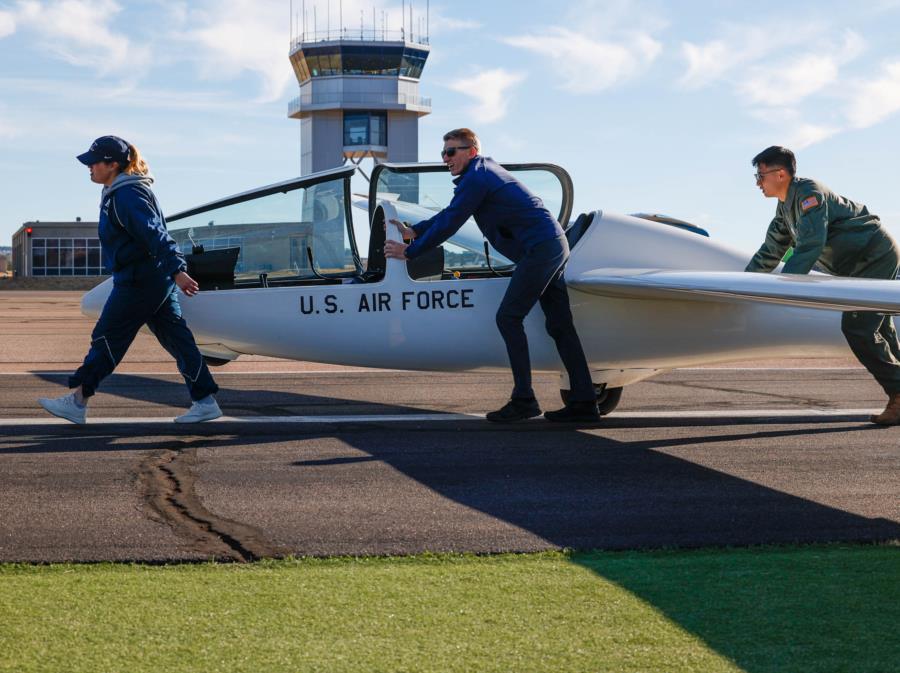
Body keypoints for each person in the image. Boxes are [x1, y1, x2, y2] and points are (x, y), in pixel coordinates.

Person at [383, 128, 598, 422]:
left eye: (451, 152)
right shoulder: (481, 174)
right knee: (560, 325)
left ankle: (524, 400)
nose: (446, 158)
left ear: (470, 151)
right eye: (443, 153)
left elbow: (452, 222)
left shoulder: (478, 177)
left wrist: (409, 252)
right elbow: (450, 213)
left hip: (541, 249)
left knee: (509, 317)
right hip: (548, 246)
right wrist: (416, 231)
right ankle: (585, 402)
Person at [38, 135, 222, 425]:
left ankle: (78, 400)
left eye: (94, 162)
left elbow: (154, 234)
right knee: (178, 339)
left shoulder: (127, 195)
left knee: (107, 336)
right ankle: (205, 400)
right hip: (150, 278)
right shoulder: (118, 191)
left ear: (111, 164)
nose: (89, 168)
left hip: (140, 281)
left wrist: (177, 269)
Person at [745, 145, 900, 425]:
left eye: (760, 175)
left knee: (858, 328)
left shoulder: (809, 194)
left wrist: (785, 288)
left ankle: (898, 393)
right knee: (882, 329)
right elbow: (769, 253)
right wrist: (742, 286)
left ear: (780, 174)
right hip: (857, 265)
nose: (758, 182)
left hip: (873, 256)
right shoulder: (784, 211)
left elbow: (810, 245)